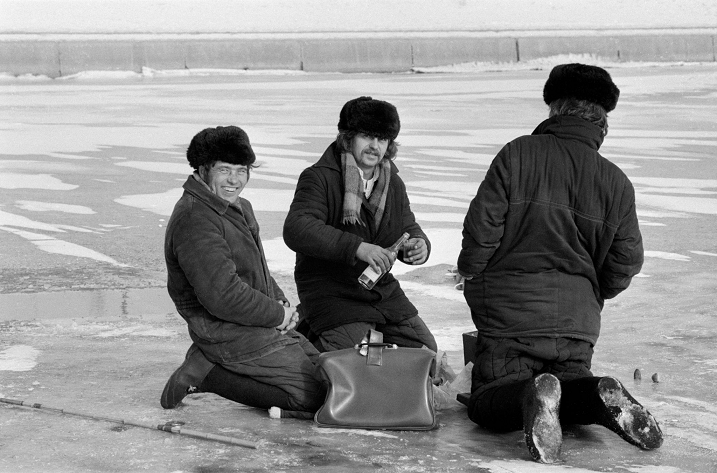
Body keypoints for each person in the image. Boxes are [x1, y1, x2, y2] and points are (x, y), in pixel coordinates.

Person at [457, 64, 663, 463]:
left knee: (487, 400)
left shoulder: (518, 153)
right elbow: (626, 260)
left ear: (555, 108)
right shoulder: (616, 181)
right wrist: (591, 292)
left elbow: (482, 229)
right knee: (569, 390)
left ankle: (532, 394)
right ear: (601, 119)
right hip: (577, 323)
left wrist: (472, 271)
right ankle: (598, 395)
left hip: (510, 316)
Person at [160, 125, 325, 419]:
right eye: (224, 170)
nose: (234, 180)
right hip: (225, 331)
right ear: (203, 169)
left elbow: (254, 268)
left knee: (330, 376)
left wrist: (279, 302)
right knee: (316, 397)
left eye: (241, 170)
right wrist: (276, 314)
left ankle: (211, 365)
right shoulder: (195, 219)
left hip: (254, 323)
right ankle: (207, 373)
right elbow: (223, 295)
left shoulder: (238, 206)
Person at [283, 96, 437, 353]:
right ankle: (308, 345)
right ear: (348, 137)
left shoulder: (392, 182)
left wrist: (419, 244)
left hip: (381, 292)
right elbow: (298, 228)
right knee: (364, 357)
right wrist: (358, 248)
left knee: (424, 351)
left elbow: (406, 226)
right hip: (332, 292)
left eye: (382, 139)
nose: (375, 146)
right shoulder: (319, 177)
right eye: (367, 136)